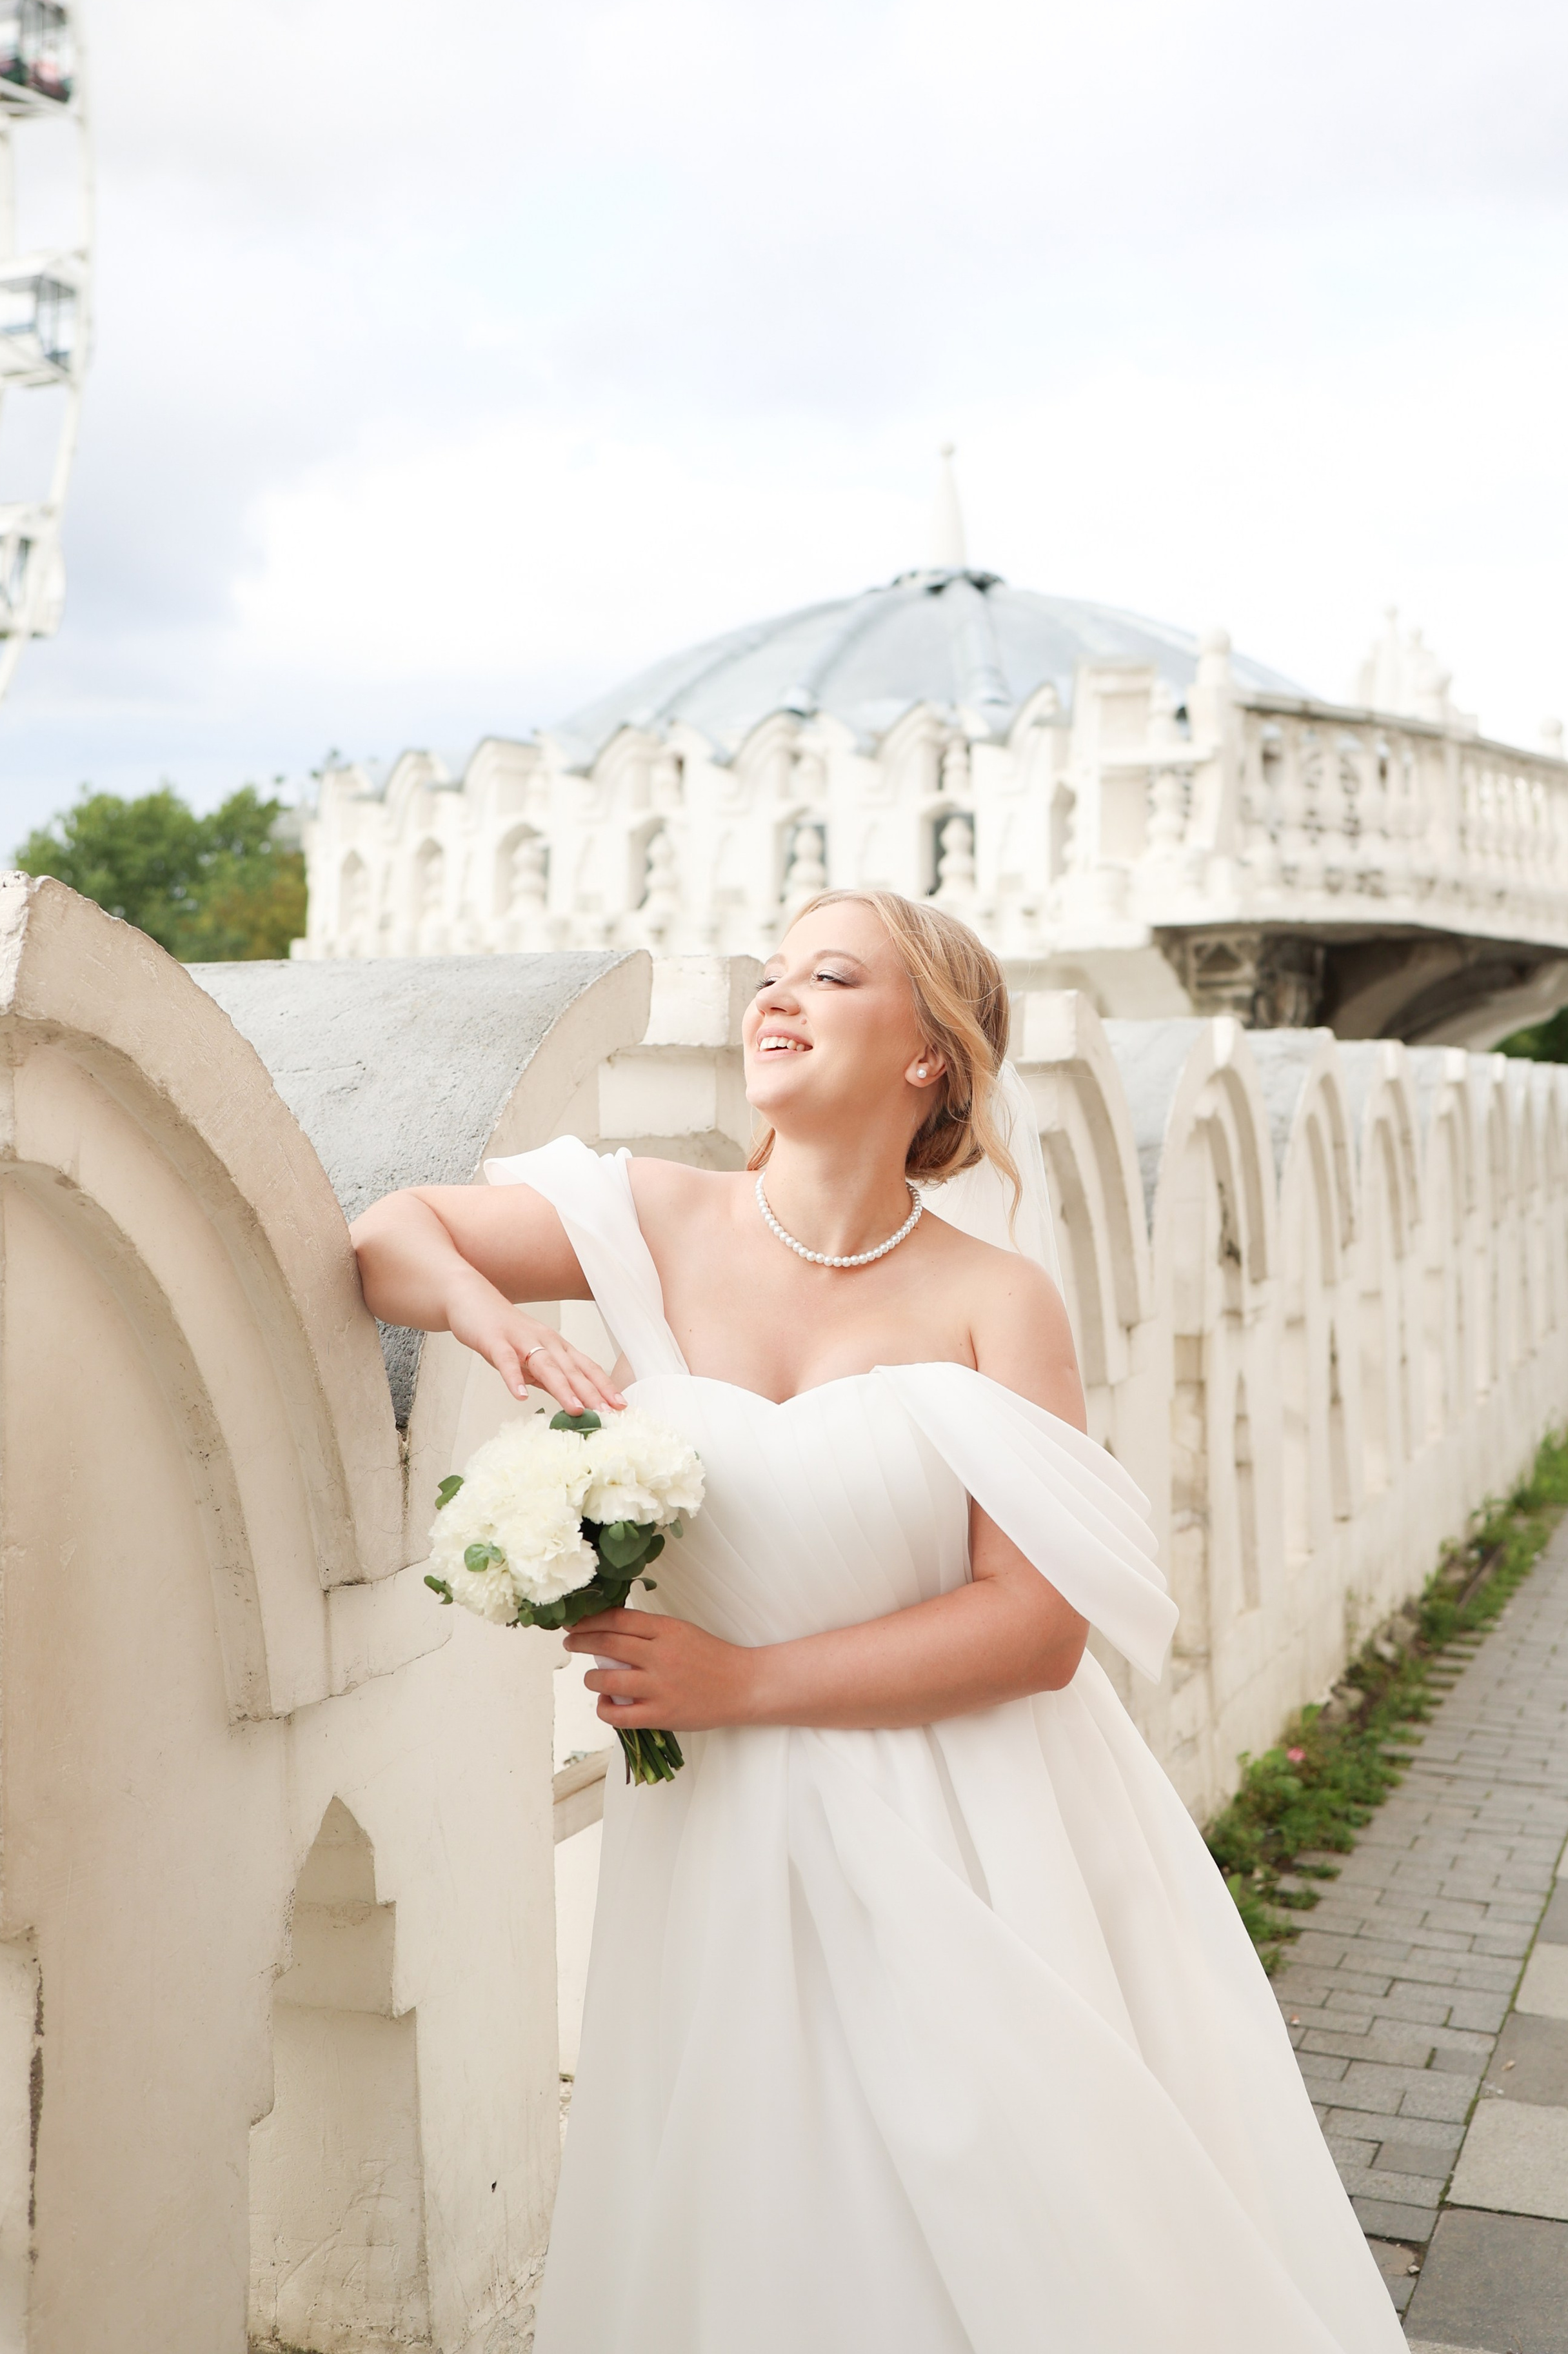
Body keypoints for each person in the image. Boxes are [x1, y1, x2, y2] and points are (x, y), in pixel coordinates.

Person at [350, 889, 1404, 2354]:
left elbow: (1034, 1630)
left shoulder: (995, 1298)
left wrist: (741, 1677)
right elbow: (389, 1230)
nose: (772, 1000)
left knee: (991, 2188)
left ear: (931, 1058)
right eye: (770, 976)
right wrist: (491, 1317)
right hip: (722, 1830)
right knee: (751, 2193)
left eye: (830, 977)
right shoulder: (655, 1217)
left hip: (967, 1815)